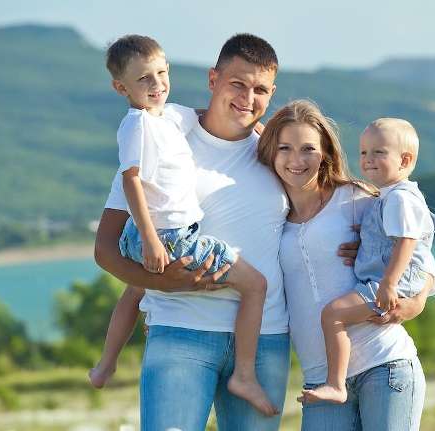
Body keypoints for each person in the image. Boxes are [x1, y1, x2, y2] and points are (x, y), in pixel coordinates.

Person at [94, 34, 325, 430]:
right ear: (213, 78)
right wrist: (162, 282)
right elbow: (106, 249)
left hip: (265, 337)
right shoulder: (161, 131)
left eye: (260, 90)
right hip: (181, 332)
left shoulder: (278, 151)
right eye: (237, 83)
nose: (247, 98)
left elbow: (326, 209)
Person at [257, 99, 435, 431]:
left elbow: (417, 245)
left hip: (383, 365)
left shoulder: (355, 200)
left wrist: (417, 299)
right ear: (270, 152)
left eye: (308, 148)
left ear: (324, 152)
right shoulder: (268, 214)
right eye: (284, 148)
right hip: (321, 381)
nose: (296, 160)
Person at [298, 117, 435, 406]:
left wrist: (388, 283)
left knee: (332, 315)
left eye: (379, 152)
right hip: (384, 280)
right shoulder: (387, 197)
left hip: (389, 284)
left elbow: (407, 242)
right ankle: (338, 383)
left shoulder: (400, 198)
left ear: (405, 160)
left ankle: (336, 385)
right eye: (364, 152)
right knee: (335, 315)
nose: (368, 159)